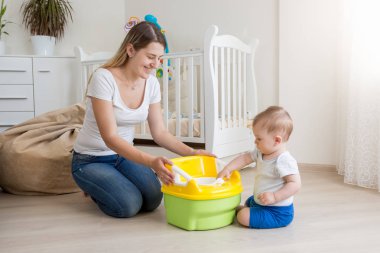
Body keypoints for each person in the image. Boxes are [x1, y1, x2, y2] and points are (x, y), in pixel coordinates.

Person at [72, 21, 213, 218]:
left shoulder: (152, 83)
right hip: (90, 159)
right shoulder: (103, 78)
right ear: (130, 50)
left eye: (160, 58)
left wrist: (192, 152)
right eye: (150, 57)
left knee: (153, 199)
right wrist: (151, 161)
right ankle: (93, 187)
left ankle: (110, 183)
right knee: (128, 205)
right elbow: (110, 137)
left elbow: (160, 133)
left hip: (123, 156)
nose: (156, 65)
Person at [217, 106, 301, 229]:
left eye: (259, 139)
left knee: (242, 217)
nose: (255, 142)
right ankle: (249, 210)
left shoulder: (284, 160)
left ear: (276, 140)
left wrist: (275, 196)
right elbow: (245, 158)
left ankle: (246, 213)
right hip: (262, 201)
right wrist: (228, 169)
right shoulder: (261, 151)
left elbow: (295, 184)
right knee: (249, 201)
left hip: (277, 212)